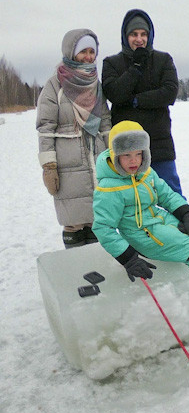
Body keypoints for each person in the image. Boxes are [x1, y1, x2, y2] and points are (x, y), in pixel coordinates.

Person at [92, 121, 189, 324]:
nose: (134, 161)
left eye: (138, 154)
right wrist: (128, 258)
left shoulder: (145, 173)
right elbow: (103, 228)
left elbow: (166, 194)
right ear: (115, 155)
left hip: (158, 221)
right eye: (126, 155)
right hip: (143, 235)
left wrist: (185, 213)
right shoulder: (109, 189)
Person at [37, 28, 112, 248]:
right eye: (83, 52)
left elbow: (105, 122)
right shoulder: (54, 86)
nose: (88, 57)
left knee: (98, 219)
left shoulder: (96, 85)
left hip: (97, 160)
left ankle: (99, 265)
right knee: (73, 222)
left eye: (92, 51)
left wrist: (113, 158)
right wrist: (49, 166)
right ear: (71, 52)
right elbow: (45, 128)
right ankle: (76, 269)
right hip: (68, 163)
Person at [102, 9, 182, 194]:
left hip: (159, 143)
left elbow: (169, 93)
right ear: (125, 36)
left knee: (170, 193)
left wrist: (136, 100)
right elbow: (115, 94)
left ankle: (184, 223)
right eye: (134, 34)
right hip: (126, 146)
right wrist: (135, 67)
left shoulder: (163, 60)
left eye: (143, 34)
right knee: (130, 197)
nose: (139, 39)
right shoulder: (112, 63)